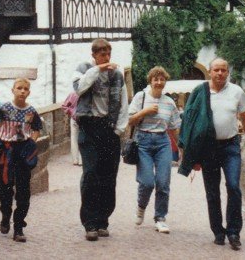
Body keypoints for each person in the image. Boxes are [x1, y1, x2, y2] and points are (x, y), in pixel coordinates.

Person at [180, 58, 245, 250]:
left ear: (228, 72)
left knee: (233, 187)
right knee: (212, 192)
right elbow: (190, 123)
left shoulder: (236, 91)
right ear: (210, 72)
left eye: (223, 70)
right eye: (216, 70)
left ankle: (234, 232)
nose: (220, 73)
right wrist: (192, 155)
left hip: (230, 146)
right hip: (208, 149)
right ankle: (218, 232)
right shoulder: (200, 92)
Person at [72, 38, 129, 241]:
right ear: (94, 55)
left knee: (108, 176)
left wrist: (119, 130)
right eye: (102, 54)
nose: (106, 57)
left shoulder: (117, 75)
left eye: (108, 54)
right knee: (91, 174)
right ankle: (90, 223)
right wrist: (97, 69)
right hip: (89, 127)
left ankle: (103, 220)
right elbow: (79, 88)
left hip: (109, 128)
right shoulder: (83, 69)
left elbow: (123, 102)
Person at [126, 66, 181, 234]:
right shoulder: (140, 97)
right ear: (150, 81)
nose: (158, 82)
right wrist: (145, 111)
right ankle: (141, 207)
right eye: (155, 79)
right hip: (143, 142)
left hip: (163, 143)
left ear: (165, 82)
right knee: (147, 182)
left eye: (162, 79)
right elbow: (130, 120)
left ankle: (160, 218)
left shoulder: (169, 102)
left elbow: (175, 128)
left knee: (163, 182)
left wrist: (181, 148)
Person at [0, 78, 42, 243]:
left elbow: (37, 128)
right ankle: (5, 215)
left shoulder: (31, 111)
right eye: (19, 88)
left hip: (23, 151)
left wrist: (31, 143)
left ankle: (19, 227)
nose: (22, 91)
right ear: (13, 90)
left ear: (29, 92)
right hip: (7, 151)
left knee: (24, 191)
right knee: (5, 187)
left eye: (25, 89)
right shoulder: (5, 108)